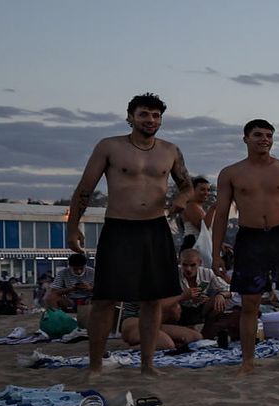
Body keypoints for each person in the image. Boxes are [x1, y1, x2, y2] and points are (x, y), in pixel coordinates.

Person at [67, 93, 190, 376]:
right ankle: (95, 365)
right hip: (120, 227)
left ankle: (148, 364)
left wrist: (182, 198)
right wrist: (73, 226)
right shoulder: (110, 146)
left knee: (152, 299)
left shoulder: (170, 150)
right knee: (105, 298)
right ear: (130, 117)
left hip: (155, 228)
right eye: (144, 114)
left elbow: (186, 185)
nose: (150, 120)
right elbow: (84, 189)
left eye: (156, 115)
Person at [212, 119, 279, 373]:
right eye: (258, 135)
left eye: (269, 135)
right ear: (246, 139)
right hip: (250, 237)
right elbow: (222, 214)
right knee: (250, 301)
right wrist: (216, 253)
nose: (264, 139)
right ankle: (248, 361)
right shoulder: (231, 173)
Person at [175, 247, 234, 340]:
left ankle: (206, 334)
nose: (188, 269)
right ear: (179, 263)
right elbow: (164, 300)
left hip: (201, 309)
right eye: (185, 265)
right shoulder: (174, 275)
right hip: (180, 311)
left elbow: (230, 289)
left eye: (192, 265)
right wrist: (183, 297)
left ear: (200, 263)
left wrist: (221, 295)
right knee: (173, 308)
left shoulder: (207, 273)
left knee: (219, 302)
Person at [173, 175, 214, 268]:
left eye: (208, 190)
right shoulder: (191, 206)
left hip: (200, 244)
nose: (206, 193)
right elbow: (204, 228)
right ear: (193, 191)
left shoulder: (199, 207)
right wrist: (213, 208)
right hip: (194, 244)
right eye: (202, 189)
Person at [44, 252, 96, 318]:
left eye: (81, 268)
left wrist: (89, 288)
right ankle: (55, 318)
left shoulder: (93, 272)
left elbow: (102, 291)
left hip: (88, 300)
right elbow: (54, 291)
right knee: (50, 297)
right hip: (70, 301)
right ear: (70, 266)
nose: (79, 271)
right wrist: (71, 289)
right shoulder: (63, 273)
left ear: (85, 266)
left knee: (100, 298)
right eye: (75, 269)